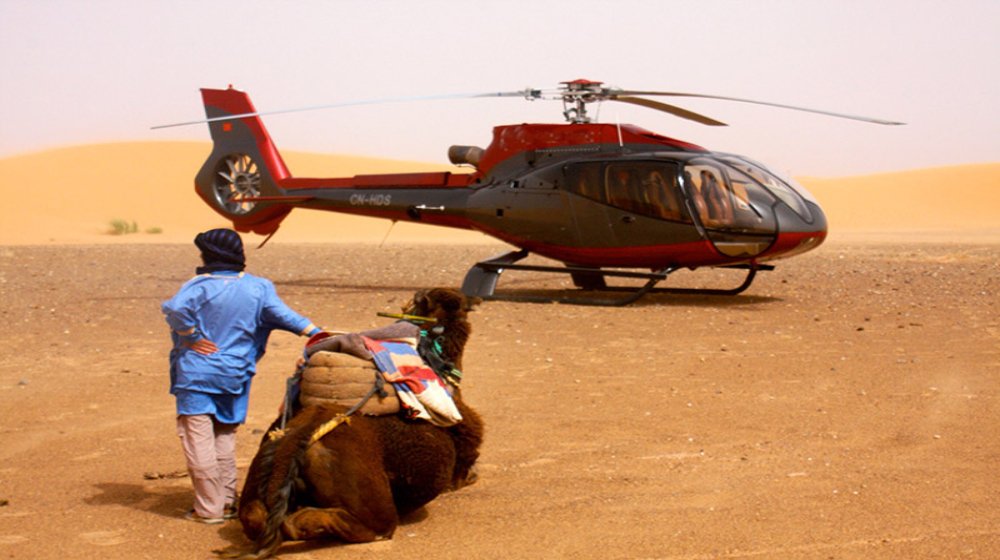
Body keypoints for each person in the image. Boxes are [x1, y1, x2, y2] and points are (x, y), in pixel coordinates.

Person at [162, 228, 321, 524]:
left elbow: (175, 308)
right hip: (236, 374)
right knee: (224, 437)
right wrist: (315, 333)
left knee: (199, 441)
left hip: (197, 373)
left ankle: (207, 509)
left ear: (209, 255)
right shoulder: (259, 287)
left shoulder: (199, 285)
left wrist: (191, 335)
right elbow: (286, 316)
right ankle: (226, 503)